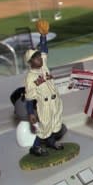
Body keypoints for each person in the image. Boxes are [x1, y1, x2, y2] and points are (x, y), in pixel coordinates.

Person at [24, 19, 65, 156]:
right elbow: (29, 98)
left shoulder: (44, 66)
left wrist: (43, 36)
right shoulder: (30, 78)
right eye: (35, 58)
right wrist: (30, 113)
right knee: (44, 127)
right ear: (30, 62)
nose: (39, 59)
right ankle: (35, 148)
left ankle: (51, 142)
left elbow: (44, 50)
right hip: (44, 104)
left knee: (55, 125)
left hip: (55, 101)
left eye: (38, 56)